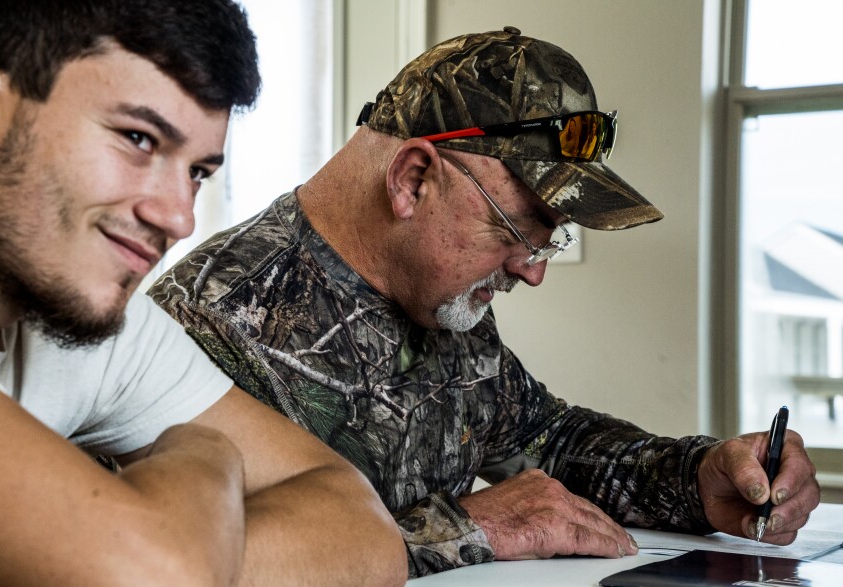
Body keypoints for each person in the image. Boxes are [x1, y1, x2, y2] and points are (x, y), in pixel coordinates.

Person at [148, 27, 820, 578]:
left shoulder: (444, 304)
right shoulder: (206, 322)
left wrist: (700, 475)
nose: (532, 272)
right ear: (413, 179)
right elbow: (174, 563)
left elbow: (550, 442)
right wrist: (467, 528)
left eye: (547, 241)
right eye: (514, 230)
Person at [0, 1, 407, 585]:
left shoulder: (90, 323)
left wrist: (155, 550)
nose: (179, 218)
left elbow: (364, 531)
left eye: (198, 172)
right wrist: (203, 450)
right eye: (139, 139)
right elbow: (159, 573)